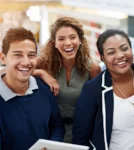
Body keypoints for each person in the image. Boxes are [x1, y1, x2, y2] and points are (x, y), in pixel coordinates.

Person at [34, 17, 101, 143]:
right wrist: (41, 73)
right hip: (50, 132)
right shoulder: (43, 64)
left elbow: (97, 107)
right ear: (54, 42)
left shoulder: (92, 68)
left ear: (80, 39)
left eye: (72, 37)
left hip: (81, 133)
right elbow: (9, 71)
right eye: (61, 39)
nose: (68, 43)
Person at [0, 27, 64, 150]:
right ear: (3, 58)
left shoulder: (45, 89)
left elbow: (57, 126)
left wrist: (50, 146)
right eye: (18, 55)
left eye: (31, 55)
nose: (26, 62)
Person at [72, 29, 134, 150]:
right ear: (103, 58)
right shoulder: (93, 90)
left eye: (124, 48)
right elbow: (80, 139)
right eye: (111, 52)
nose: (120, 55)